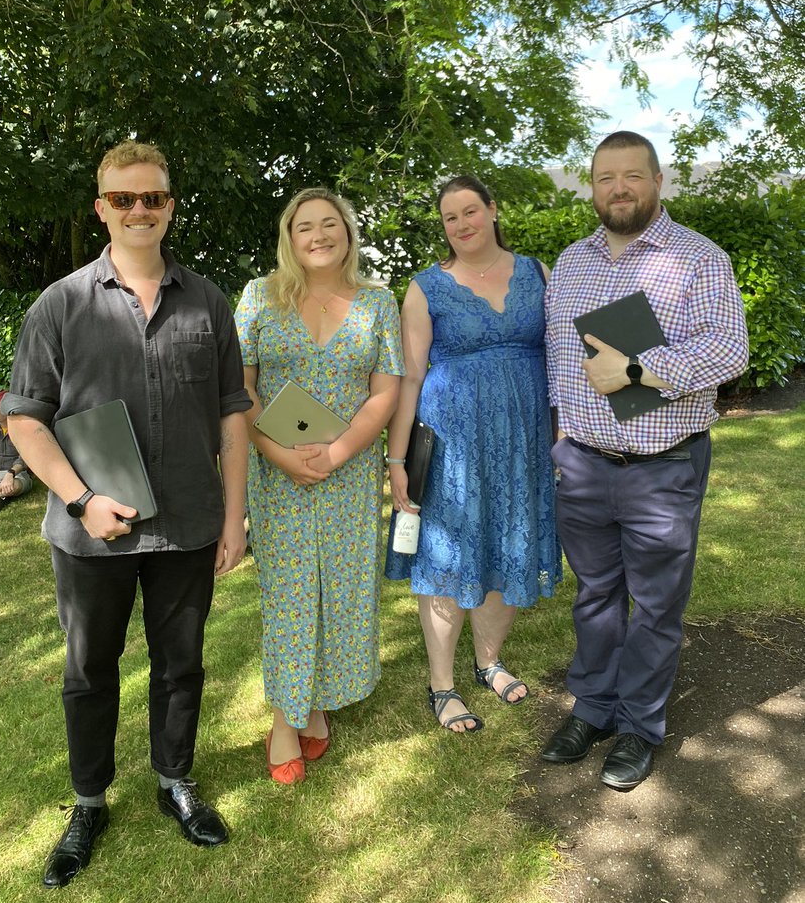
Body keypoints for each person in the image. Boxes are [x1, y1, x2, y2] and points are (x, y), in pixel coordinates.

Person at [1, 140, 251, 888]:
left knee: (182, 666)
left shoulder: (206, 301)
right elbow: (23, 418)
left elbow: (234, 412)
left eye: (154, 197)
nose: (140, 210)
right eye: (123, 199)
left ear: (171, 204)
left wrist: (235, 516)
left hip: (187, 521)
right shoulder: (61, 304)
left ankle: (175, 782)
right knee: (88, 671)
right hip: (89, 531)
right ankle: (88, 803)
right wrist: (80, 498)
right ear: (101, 207)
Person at [542, 131, 748, 790]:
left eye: (633, 175)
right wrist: (559, 435)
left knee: (656, 606)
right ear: (592, 187)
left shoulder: (698, 258)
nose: (619, 187)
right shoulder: (571, 262)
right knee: (597, 594)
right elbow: (555, 358)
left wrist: (637, 368)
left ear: (658, 182)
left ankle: (638, 727)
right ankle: (595, 708)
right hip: (582, 463)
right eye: (606, 177)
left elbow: (728, 352)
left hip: (663, 466)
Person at [234, 187, 403, 783]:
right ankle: (287, 717)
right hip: (277, 474)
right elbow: (239, 389)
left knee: (340, 589)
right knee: (290, 593)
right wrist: (279, 453)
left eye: (330, 224)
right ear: (290, 237)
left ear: (348, 234)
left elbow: (385, 391)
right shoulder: (259, 297)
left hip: (349, 473)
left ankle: (319, 702)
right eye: (305, 226)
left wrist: (336, 452)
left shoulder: (379, 304)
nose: (319, 235)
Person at [385, 175, 562, 733]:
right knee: (446, 554)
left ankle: (489, 662)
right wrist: (396, 462)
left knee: (509, 539)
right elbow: (409, 378)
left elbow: (559, 361)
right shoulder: (425, 288)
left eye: (469, 212)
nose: (461, 225)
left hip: (524, 439)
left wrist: (563, 437)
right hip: (452, 442)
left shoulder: (537, 272)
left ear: (492, 210)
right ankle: (442, 686)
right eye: (449, 218)